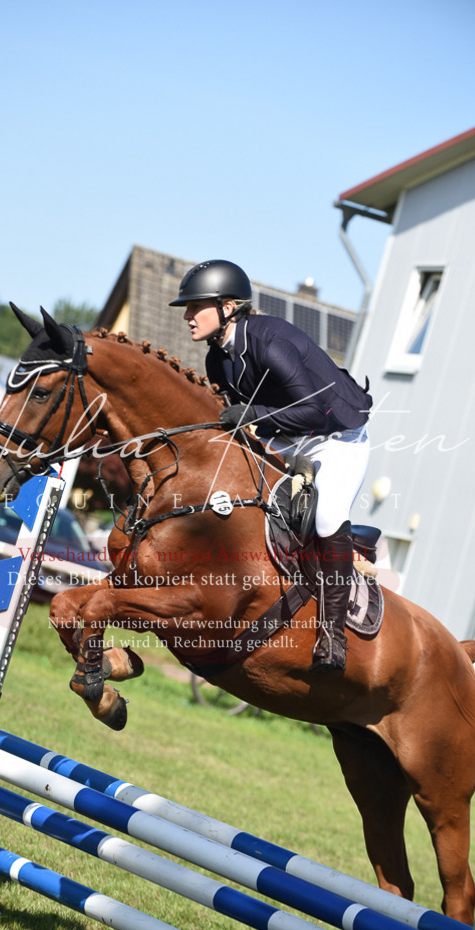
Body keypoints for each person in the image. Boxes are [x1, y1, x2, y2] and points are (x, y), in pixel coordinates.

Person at [170, 259, 372, 673]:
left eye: (195, 307)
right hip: (286, 440)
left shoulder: (270, 339)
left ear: (228, 306)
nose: (187, 316)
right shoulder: (217, 360)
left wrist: (250, 415)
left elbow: (315, 411)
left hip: (336, 438)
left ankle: (333, 636)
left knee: (326, 518)